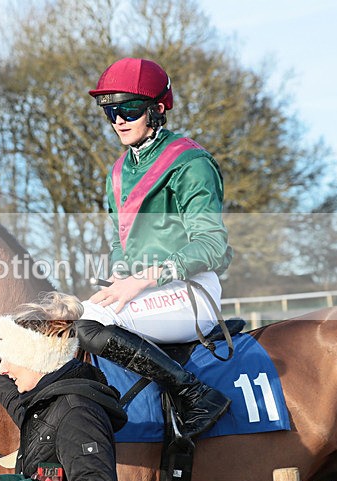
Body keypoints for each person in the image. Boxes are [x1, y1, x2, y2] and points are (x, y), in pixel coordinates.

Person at [76, 57, 233, 440]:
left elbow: (214, 246)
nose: (118, 120)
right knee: (68, 317)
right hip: (148, 292)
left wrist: (143, 278)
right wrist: (118, 274)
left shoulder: (191, 163)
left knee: (89, 322)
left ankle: (196, 395)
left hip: (192, 293)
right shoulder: (117, 171)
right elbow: (120, 241)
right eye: (110, 111)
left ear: (157, 109)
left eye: (128, 108)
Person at [0, 292, 127, 481]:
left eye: (8, 359)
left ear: (35, 358)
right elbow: (24, 411)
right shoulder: (50, 402)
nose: (4, 369)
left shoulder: (78, 415)